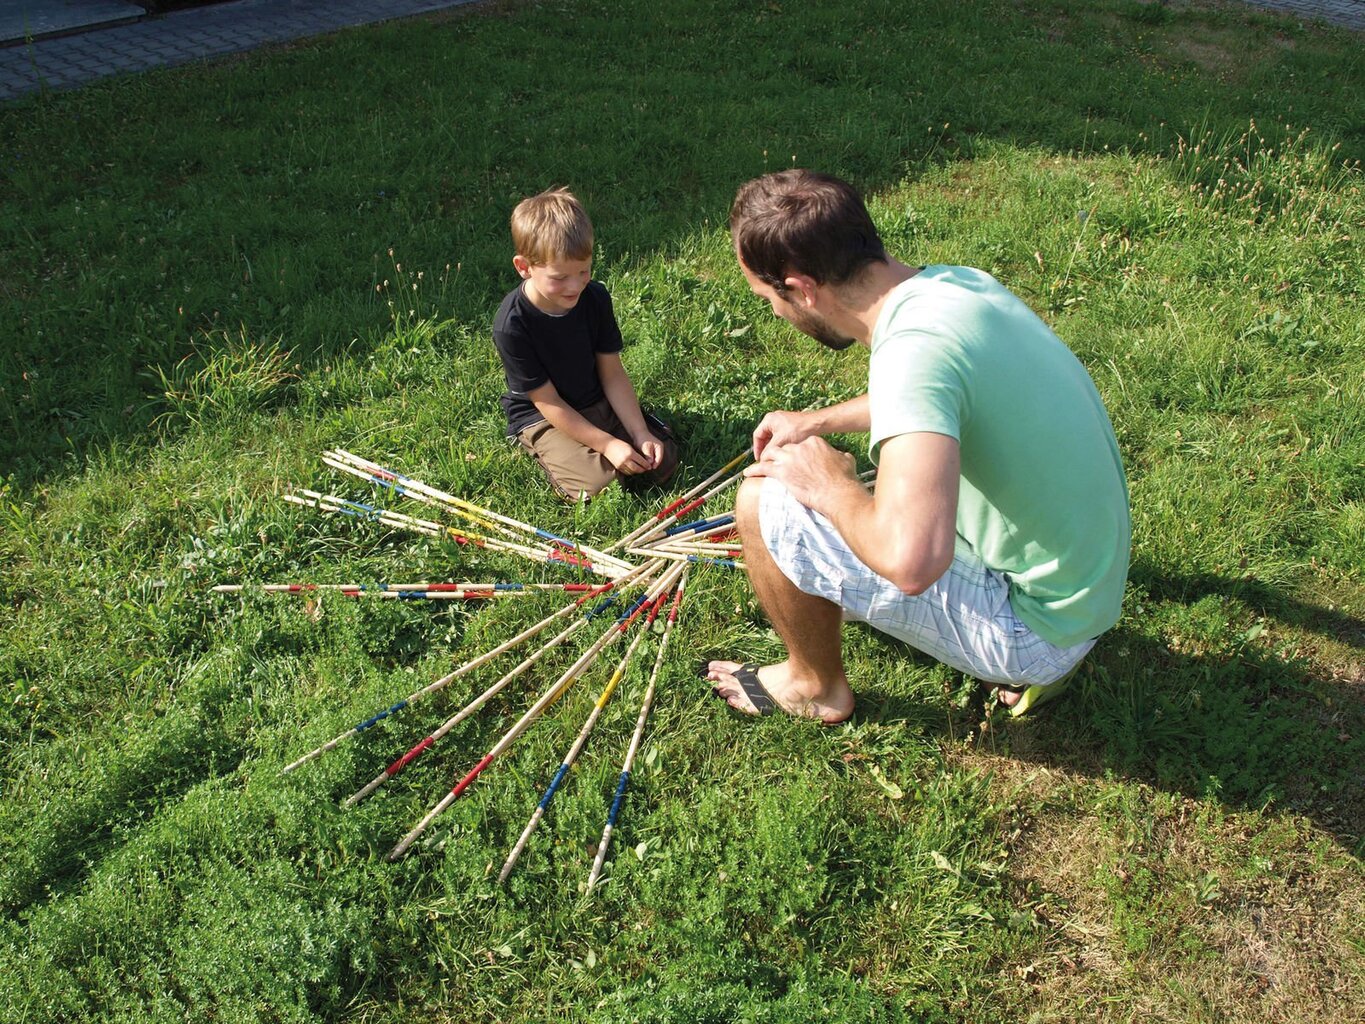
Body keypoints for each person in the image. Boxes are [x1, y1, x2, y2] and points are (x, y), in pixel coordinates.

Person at [701, 170, 1130, 723]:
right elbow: (933, 397)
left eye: (768, 298)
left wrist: (832, 487)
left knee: (767, 500)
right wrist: (817, 422)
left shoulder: (911, 357)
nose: (776, 313)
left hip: (1039, 632)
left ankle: (813, 687)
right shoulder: (954, 287)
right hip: (1082, 594)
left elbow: (912, 564)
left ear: (803, 288)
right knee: (838, 492)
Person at [492, 187, 678, 501]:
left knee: (662, 461)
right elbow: (548, 402)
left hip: (594, 398)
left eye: (583, 271)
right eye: (559, 277)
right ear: (524, 267)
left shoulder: (595, 298)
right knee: (598, 487)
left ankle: (625, 433)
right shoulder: (511, 325)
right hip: (543, 415)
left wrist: (638, 433)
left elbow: (612, 373)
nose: (575, 285)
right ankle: (551, 449)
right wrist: (608, 444)